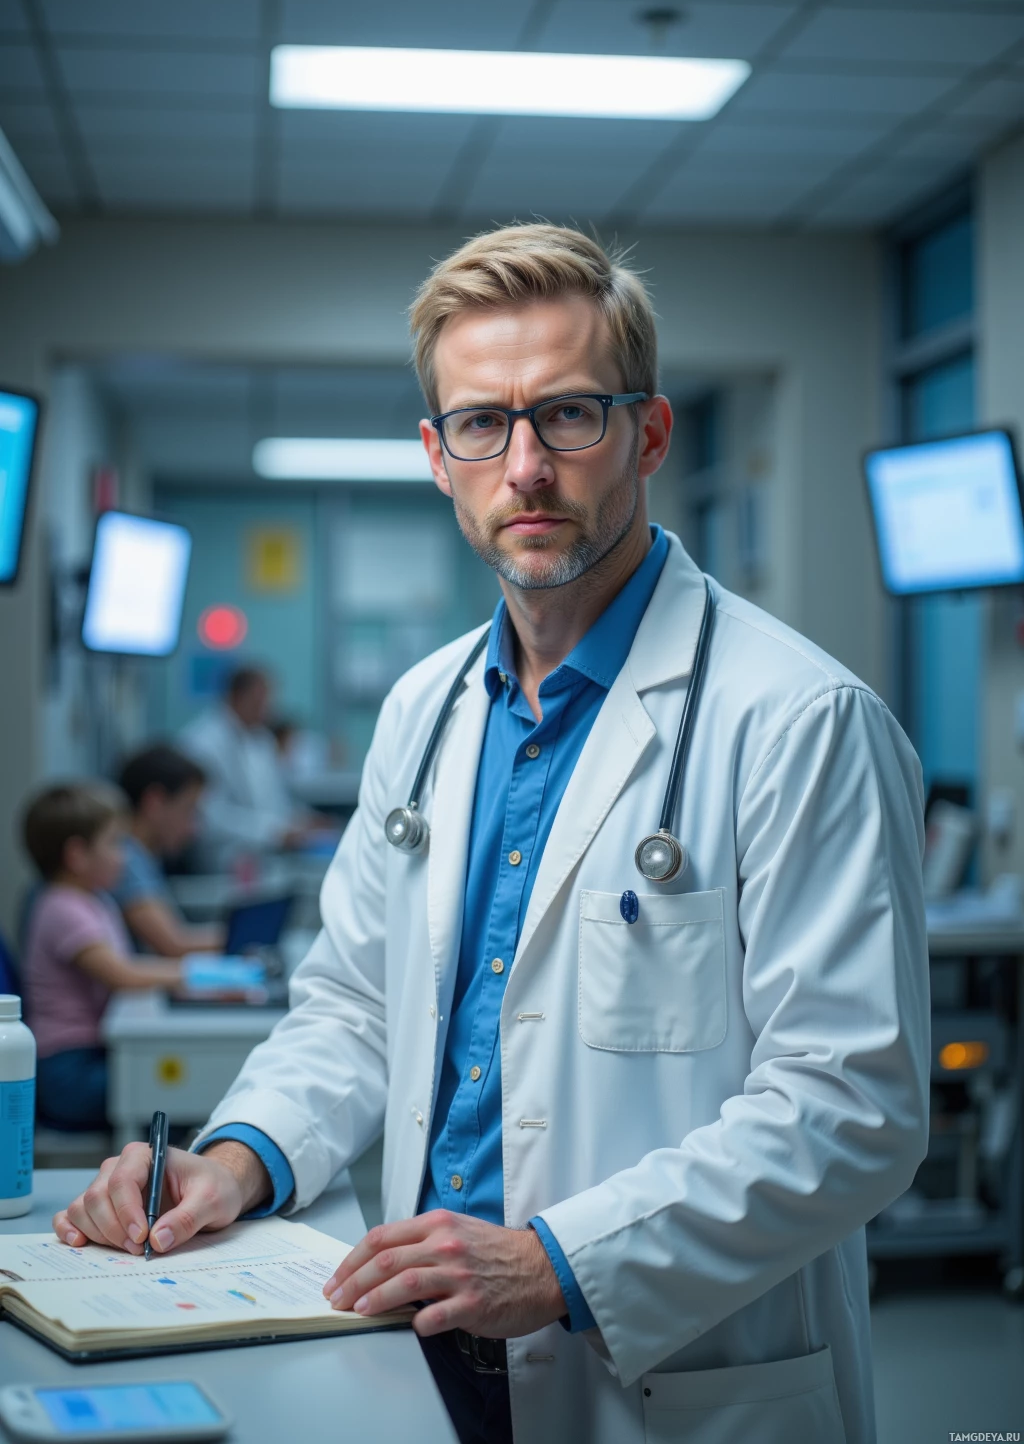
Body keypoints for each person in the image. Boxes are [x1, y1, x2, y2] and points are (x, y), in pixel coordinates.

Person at [55, 225, 929, 1444]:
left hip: (660, 1370)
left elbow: (853, 1104)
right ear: (436, 453)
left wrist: (558, 1261)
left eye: (568, 415)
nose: (524, 465)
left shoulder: (796, 718)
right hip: (408, 1347)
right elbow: (356, 1006)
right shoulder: (423, 709)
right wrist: (239, 1157)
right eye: (481, 424)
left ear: (649, 434)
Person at [21, 782, 182, 1130]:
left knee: (175, 1083)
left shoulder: (95, 900)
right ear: (77, 854)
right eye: (114, 843)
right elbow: (123, 975)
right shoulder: (62, 908)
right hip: (68, 1072)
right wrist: (193, 974)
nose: (124, 855)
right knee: (178, 1088)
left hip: (92, 1055)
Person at [179, 667, 312, 866]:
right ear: (235, 696)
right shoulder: (202, 743)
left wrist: (301, 823)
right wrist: (274, 832)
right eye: (259, 701)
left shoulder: (261, 740)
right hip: (221, 859)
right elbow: (210, 817)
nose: (266, 709)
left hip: (267, 853)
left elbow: (275, 802)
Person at [112, 744, 222, 956]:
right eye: (189, 809)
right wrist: (252, 934)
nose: (194, 829)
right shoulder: (124, 858)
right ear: (155, 802)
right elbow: (173, 943)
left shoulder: (146, 855)